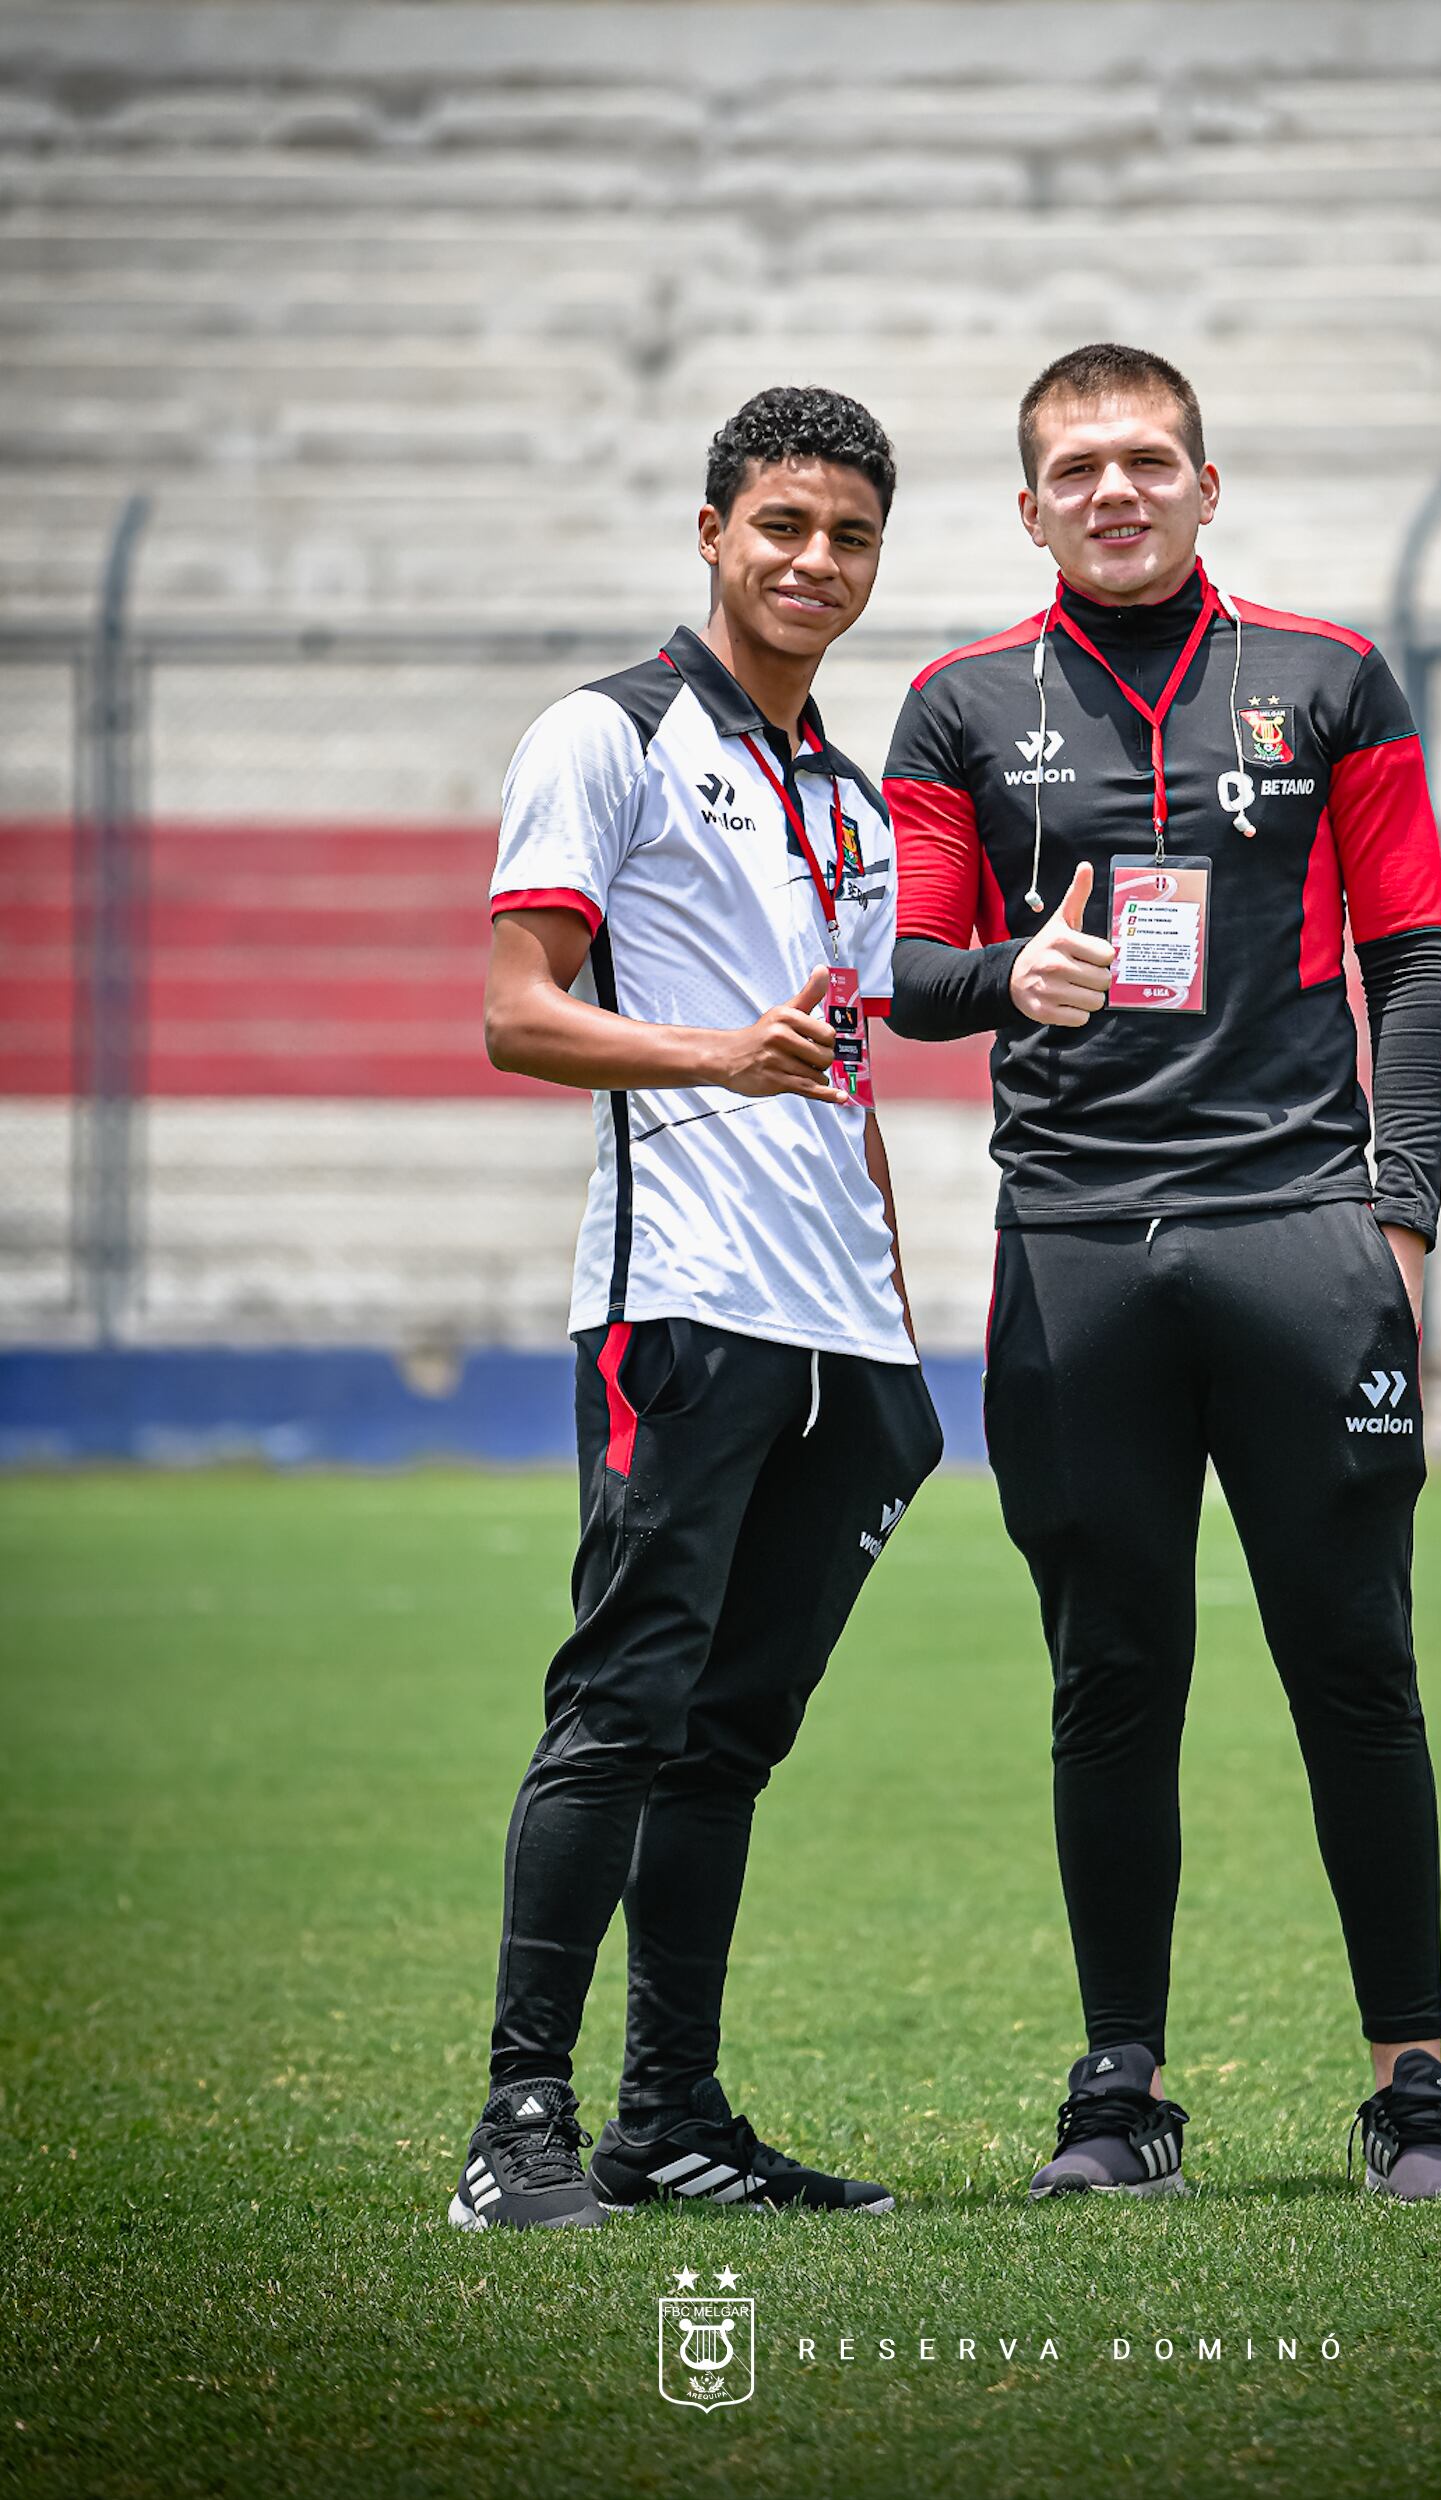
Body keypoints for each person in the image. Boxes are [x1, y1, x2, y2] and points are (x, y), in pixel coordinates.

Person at [883, 342, 1441, 2202]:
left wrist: (1394, 1216)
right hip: (1073, 1251)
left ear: (1207, 486)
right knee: (1111, 1673)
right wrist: (1017, 977)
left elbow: (1413, 959)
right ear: (1029, 507)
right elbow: (911, 975)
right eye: (1077, 469)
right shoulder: (954, 707)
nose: (1116, 491)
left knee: (1355, 1665)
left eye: (1149, 460)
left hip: (1299, 1239)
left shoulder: (1330, 682)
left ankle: (1414, 2086)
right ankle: (1119, 2095)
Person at [449, 386, 942, 2231]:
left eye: (852, 537)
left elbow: (866, 1030)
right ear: (715, 531)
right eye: (785, 527)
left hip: (849, 1341)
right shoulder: (611, 733)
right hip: (682, 1309)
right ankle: (518, 2129)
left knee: (732, 1734)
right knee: (625, 1708)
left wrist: (1033, 978)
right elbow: (516, 1010)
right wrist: (712, 1057)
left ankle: (669, 2122)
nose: (816, 562)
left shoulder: (846, 783)